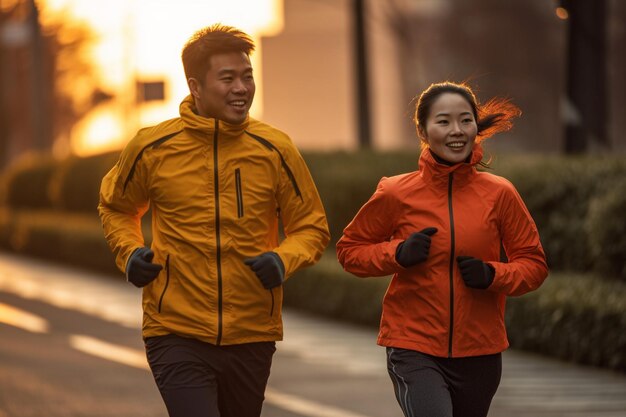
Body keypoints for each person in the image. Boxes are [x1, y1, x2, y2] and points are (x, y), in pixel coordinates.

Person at [98, 24, 330, 417]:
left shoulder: (275, 149)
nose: (242, 88)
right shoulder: (151, 147)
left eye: (247, 76)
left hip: (252, 332)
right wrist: (130, 252)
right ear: (196, 86)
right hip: (174, 329)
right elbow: (116, 206)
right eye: (228, 78)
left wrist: (281, 259)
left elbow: (311, 225)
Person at [336, 81, 548, 417]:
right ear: (422, 129)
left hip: (481, 351)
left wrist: (493, 274)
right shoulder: (395, 192)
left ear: (476, 127)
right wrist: (398, 253)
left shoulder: (500, 193)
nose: (456, 131)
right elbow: (350, 250)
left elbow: (534, 264)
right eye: (443, 121)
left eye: (465, 120)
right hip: (413, 346)